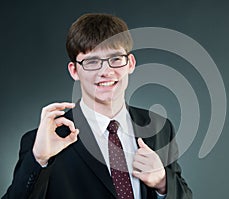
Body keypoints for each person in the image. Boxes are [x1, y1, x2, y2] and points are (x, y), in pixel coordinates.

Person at [2, 13, 192, 199]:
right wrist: (38, 160)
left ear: (130, 64)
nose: (106, 71)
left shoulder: (160, 127)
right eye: (92, 61)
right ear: (74, 71)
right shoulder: (44, 140)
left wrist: (162, 182)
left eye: (116, 59)